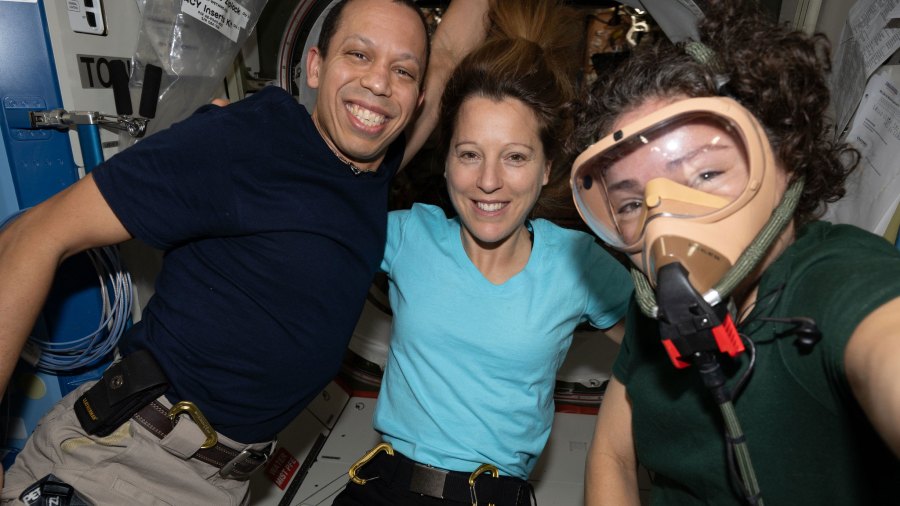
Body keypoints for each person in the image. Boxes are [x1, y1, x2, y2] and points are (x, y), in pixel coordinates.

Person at [0, 0, 490, 502]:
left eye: (402, 70)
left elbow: (448, 53)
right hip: (127, 462)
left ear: (418, 94)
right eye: (359, 55)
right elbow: (32, 236)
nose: (380, 83)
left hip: (222, 483)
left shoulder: (371, 173)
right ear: (316, 65)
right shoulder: (245, 139)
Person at [570, 1, 900, 504]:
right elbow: (613, 454)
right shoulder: (660, 301)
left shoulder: (838, 279)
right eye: (634, 202)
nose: (666, 224)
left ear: (783, 158)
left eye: (705, 174)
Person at [333, 1, 634, 505]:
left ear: (545, 167)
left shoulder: (575, 263)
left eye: (515, 157)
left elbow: (663, 347)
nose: (488, 181)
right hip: (382, 491)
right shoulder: (408, 236)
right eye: (469, 154)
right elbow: (316, 220)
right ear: (446, 161)